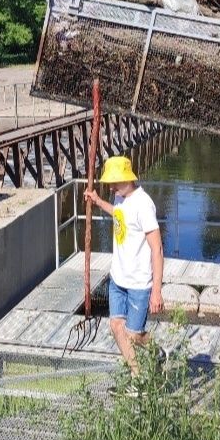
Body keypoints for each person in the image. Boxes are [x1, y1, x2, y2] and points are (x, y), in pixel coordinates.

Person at [84, 155, 164, 378]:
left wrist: (156, 291)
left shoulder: (144, 204)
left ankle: (157, 351)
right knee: (117, 328)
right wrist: (98, 202)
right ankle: (137, 377)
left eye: (113, 182)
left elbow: (157, 249)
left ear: (124, 179)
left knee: (133, 335)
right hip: (117, 279)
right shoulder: (121, 198)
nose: (110, 187)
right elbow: (121, 216)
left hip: (139, 284)